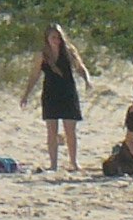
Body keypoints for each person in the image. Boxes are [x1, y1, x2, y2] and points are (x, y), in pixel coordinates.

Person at [26, 24, 91, 171]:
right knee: (52, 131)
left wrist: (87, 80)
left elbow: (80, 67)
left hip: (68, 92)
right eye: (53, 37)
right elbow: (35, 75)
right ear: (47, 38)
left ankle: (73, 162)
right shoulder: (43, 55)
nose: (56, 40)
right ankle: (53, 164)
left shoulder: (69, 51)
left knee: (70, 130)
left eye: (58, 37)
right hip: (50, 93)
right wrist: (26, 94)